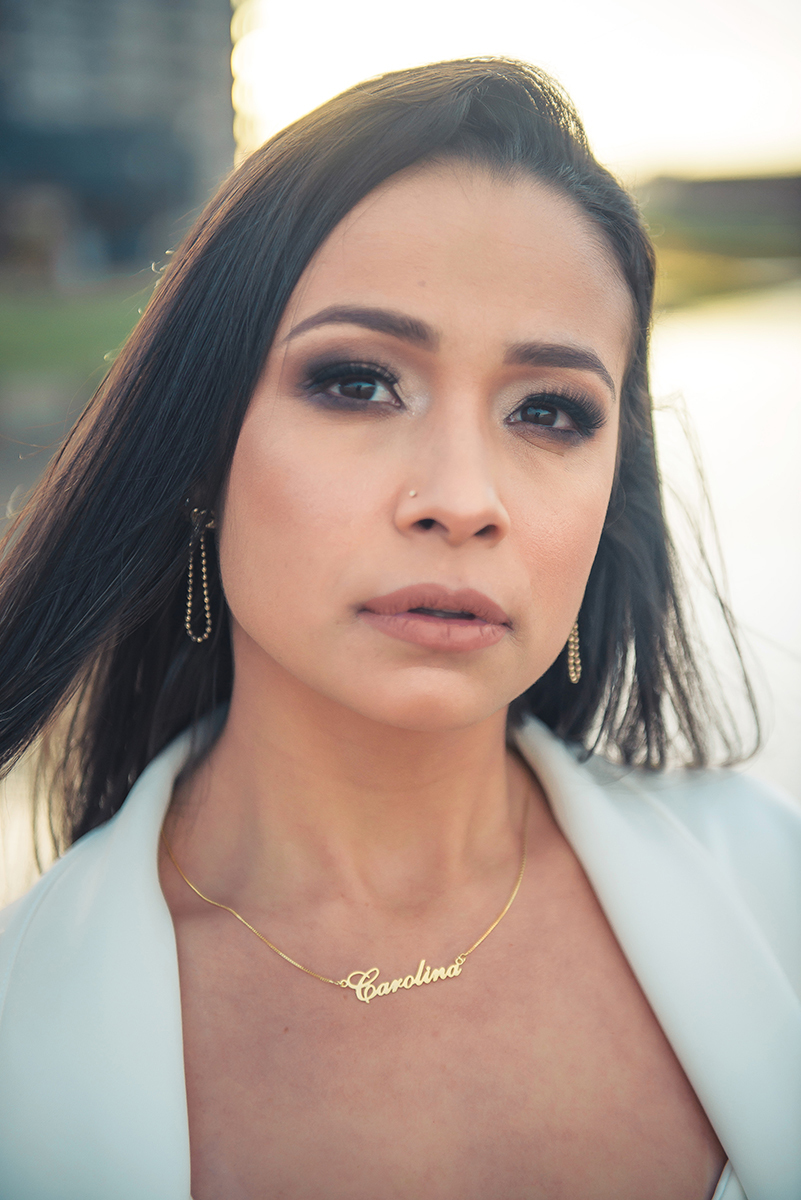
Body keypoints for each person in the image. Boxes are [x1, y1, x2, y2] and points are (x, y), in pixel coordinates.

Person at [0, 58, 798, 1200]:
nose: (464, 497)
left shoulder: (777, 888)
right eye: (359, 382)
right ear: (201, 448)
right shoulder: (20, 1030)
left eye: (551, 411)